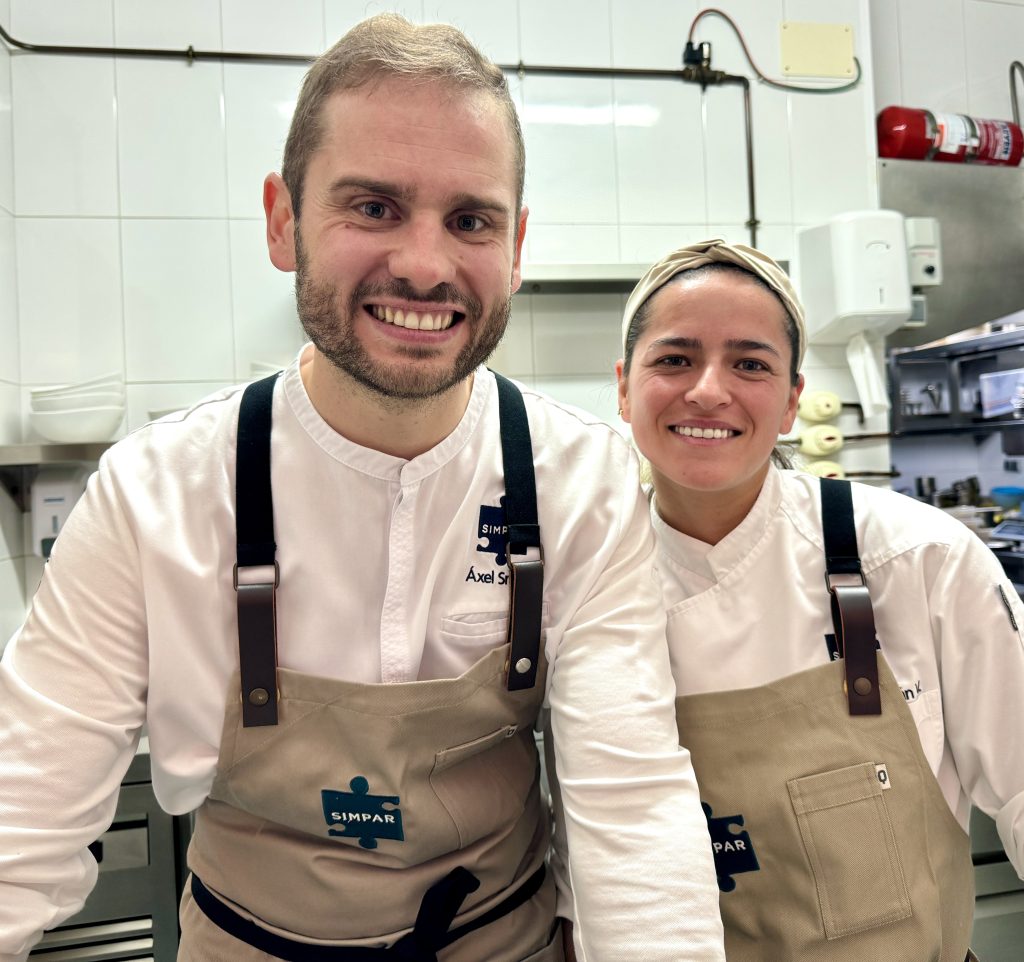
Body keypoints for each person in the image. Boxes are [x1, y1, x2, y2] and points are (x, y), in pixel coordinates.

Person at [0, 15, 727, 962]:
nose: (426, 264)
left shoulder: (578, 483)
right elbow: (22, 815)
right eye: (374, 207)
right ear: (281, 219)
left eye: (470, 220)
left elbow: (631, 812)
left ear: (515, 248)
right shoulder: (154, 496)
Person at [613, 238, 1024, 961]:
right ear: (623, 386)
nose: (709, 390)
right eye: (674, 358)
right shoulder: (596, 587)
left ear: (794, 400)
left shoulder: (917, 559)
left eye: (750, 363)